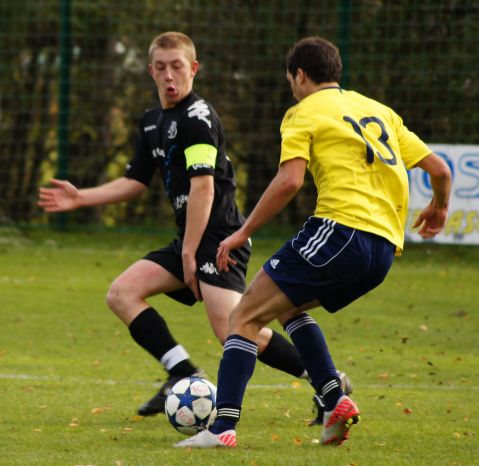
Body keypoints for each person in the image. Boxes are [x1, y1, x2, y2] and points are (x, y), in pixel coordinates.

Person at [38, 32, 351, 421]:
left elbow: (203, 187)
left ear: (193, 69)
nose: (170, 75)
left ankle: (325, 381)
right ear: (151, 70)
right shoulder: (152, 121)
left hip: (219, 238)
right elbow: (136, 182)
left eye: (178, 67)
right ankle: (182, 371)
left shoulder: (197, 118)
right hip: (190, 237)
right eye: (162, 67)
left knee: (235, 330)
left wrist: (189, 251)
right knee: (123, 293)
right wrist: (81, 197)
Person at [175, 36, 452, 449]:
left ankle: (221, 429)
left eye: (292, 81)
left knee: (244, 317)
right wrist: (439, 208)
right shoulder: (379, 110)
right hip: (384, 251)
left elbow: (289, 180)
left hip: (342, 230)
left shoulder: (303, 112)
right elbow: (441, 170)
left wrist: (241, 232)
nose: (292, 88)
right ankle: (334, 399)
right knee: (289, 307)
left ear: (300, 76)